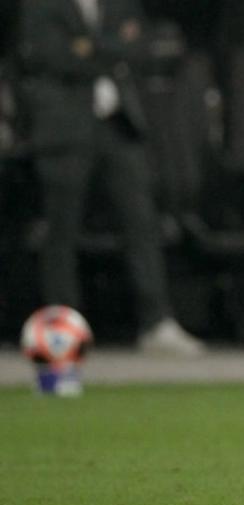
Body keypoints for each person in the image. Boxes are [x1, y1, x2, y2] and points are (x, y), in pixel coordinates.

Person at [18, 0, 204, 357]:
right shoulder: (40, 5)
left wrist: (89, 47)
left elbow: (141, 48)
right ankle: (63, 327)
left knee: (141, 221)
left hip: (117, 126)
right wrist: (111, 48)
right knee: (62, 231)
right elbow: (47, 56)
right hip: (65, 128)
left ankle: (156, 321)